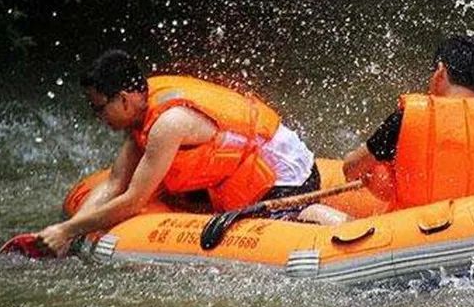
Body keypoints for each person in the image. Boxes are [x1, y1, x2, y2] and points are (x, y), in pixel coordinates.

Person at [36, 49, 318, 255]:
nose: (97, 117)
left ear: (123, 100)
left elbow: (133, 201)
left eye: (98, 108)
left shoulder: (168, 125)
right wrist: (69, 230)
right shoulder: (142, 109)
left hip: (288, 177)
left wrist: (66, 231)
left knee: (292, 219)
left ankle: (332, 225)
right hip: (263, 168)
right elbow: (114, 183)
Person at [301, 36, 474, 224]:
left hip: (410, 232)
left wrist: (378, 176)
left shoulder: (406, 118)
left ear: (440, 72)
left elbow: (350, 169)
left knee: (311, 211)